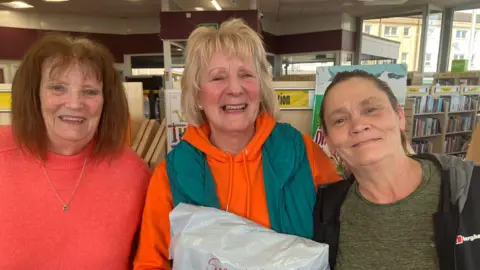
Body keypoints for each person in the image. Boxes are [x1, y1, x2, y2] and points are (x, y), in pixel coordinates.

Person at [133, 18, 341, 269]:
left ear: (261, 87)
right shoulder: (173, 174)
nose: (234, 89)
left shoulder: (301, 153)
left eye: (246, 75)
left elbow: (345, 235)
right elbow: (151, 262)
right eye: (218, 78)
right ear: (197, 93)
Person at [0, 34, 151, 269]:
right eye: (58, 88)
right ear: (33, 94)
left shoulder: (133, 175)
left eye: (90, 91)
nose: (74, 103)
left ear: (106, 101)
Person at [312, 70, 480, 270]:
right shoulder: (326, 211)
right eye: (340, 120)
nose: (358, 125)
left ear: (400, 116)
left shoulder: (470, 188)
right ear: (329, 141)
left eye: (371, 109)